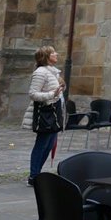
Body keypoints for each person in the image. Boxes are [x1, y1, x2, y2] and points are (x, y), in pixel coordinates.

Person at [21, 45, 63, 186]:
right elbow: (33, 94)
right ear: (46, 57)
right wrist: (52, 94)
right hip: (45, 111)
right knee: (42, 144)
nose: (56, 54)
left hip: (54, 110)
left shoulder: (53, 71)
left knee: (49, 144)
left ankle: (37, 174)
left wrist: (59, 89)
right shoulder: (40, 72)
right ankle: (34, 176)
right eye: (53, 52)